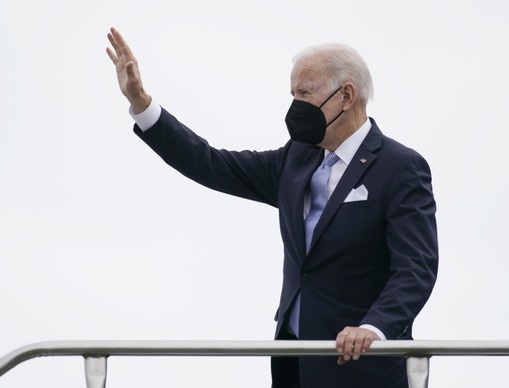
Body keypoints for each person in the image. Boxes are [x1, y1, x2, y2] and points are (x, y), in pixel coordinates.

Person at [106, 27, 438, 388]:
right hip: (293, 366)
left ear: (346, 96)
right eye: (292, 93)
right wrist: (142, 104)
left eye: (304, 93)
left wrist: (374, 328)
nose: (295, 104)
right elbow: (211, 163)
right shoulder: (295, 160)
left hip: (362, 367)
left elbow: (415, 268)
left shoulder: (400, 167)